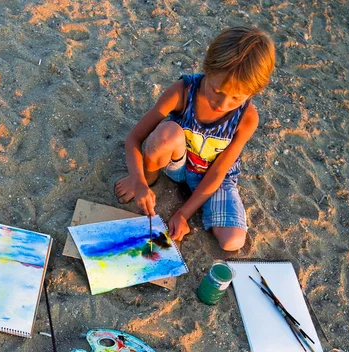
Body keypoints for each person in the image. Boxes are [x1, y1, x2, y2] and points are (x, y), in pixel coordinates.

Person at [115, 27, 275, 251]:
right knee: (165, 134)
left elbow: (219, 173)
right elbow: (134, 137)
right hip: (177, 163)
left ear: (253, 93)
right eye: (216, 89)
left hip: (212, 178)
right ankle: (149, 181)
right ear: (207, 69)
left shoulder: (247, 118)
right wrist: (138, 180)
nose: (222, 104)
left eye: (236, 97)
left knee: (233, 242)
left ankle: (182, 197)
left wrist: (183, 213)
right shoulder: (182, 92)